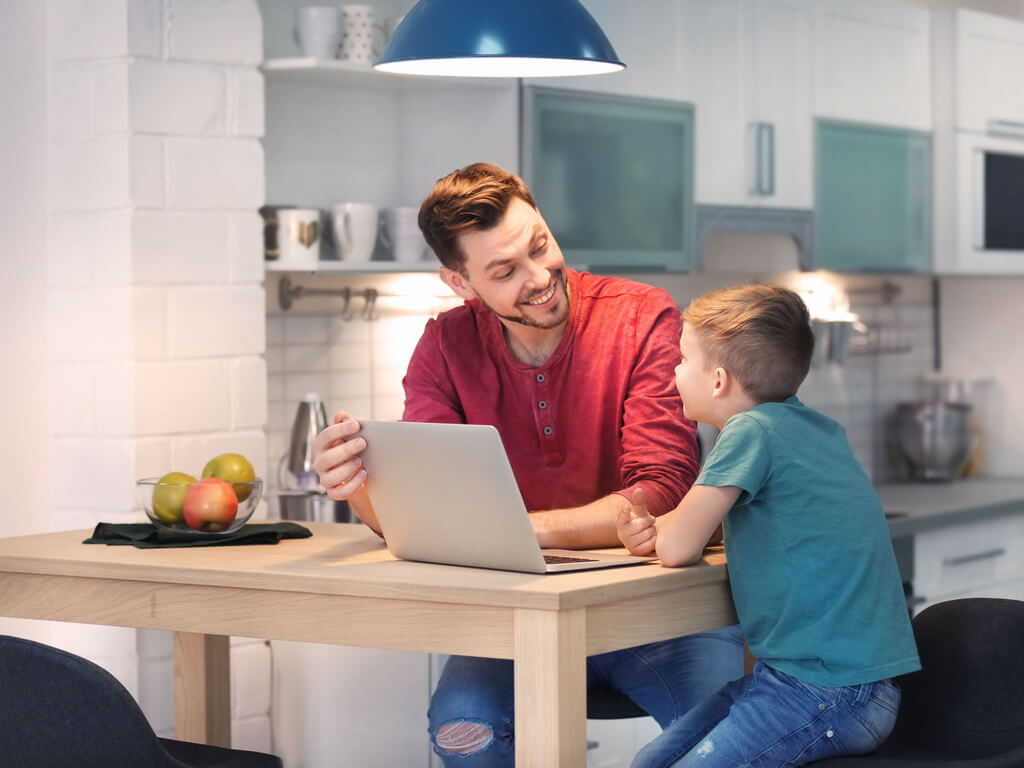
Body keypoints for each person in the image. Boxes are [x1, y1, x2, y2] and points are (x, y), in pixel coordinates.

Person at [312, 162, 744, 766]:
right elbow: (429, 516)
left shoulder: (642, 316)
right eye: (505, 271)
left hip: (657, 613)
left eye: (539, 245)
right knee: (462, 732)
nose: (541, 277)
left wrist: (516, 529)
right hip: (516, 619)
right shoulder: (443, 345)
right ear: (461, 283)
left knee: (726, 742)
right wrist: (354, 485)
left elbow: (663, 491)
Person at [615, 284, 921, 768]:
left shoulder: (749, 431)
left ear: (717, 381)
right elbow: (718, 528)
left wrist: (657, 530)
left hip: (828, 692)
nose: (673, 372)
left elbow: (676, 547)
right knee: (649, 761)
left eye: (681, 359)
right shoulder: (814, 427)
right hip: (822, 685)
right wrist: (664, 527)